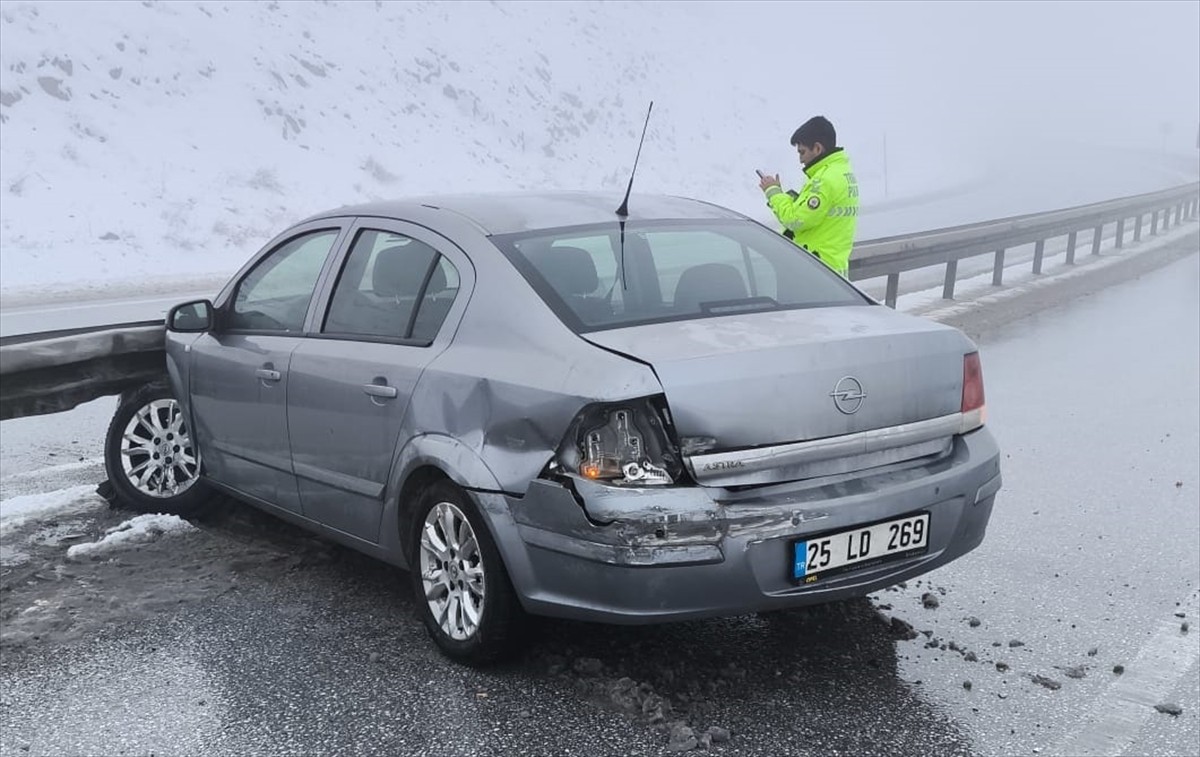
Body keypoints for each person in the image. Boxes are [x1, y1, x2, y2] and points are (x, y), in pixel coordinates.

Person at [757, 116, 859, 277]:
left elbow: (795, 220)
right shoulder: (842, 173)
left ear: (817, 148)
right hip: (835, 272)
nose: (800, 159)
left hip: (817, 272)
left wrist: (773, 193)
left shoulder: (823, 180)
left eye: (802, 152)